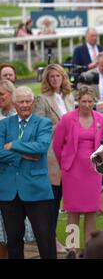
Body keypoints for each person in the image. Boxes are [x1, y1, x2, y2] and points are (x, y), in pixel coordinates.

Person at [0, 86, 56, 259]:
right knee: (14, 240)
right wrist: (25, 154)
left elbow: (41, 148)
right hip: (9, 191)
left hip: (37, 189)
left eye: (28, 101)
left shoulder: (43, 123)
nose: (25, 105)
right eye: (21, 101)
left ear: (33, 103)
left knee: (45, 238)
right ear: (14, 104)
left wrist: (14, 145)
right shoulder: (3, 124)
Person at [53, 86, 103, 253]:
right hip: (72, 171)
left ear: (94, 102)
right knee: (73, 211)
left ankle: (90, 249)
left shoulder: (101, 119)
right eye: (84, 101)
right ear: (78, 101)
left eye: (90, 101)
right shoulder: (67, 119)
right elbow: (57, 145)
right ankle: (72, 248)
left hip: (93, 171)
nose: (87, 104)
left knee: (91, 211)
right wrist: (65, 164)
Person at [34, 64, 75, 253]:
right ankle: (52, 240)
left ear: (63, 77)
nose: (55, 79)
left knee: (74, 204)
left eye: (58, 76)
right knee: (53, 201)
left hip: (72, 155)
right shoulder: (42, 99)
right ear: (47, 80)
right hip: (52, 157)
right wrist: (61, 129)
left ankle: (73, 242)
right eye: (51, 77)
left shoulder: (69, 97)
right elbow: (38, 128)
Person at [0, 82, 35, 259]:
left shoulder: (22, 119)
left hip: (19, 182)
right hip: (5, 181)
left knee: (12, 233)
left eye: (2, 94)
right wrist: (23, 153)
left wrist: (14, 149)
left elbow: (36, 148)